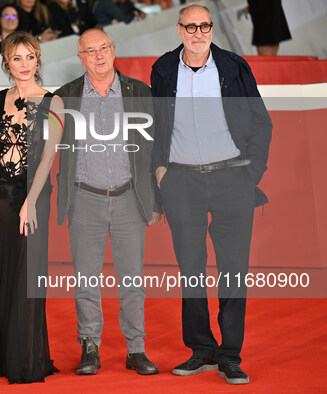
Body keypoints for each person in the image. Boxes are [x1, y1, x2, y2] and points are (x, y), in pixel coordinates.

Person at [150, 4, 272, 385]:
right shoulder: (164, 69)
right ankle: (201, 349)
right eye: (191, 26)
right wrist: (160, 172)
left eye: (205, 25)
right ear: (179, 29)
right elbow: (155, 126)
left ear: (211, 28)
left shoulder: (234, 67)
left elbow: (261, 123)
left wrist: (250, 174)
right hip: (182, 182)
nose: (198, 32)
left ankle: (230, 355)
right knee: (191, 269)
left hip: (231, 181)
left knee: (233, 270)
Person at [54, 28, 161, 376]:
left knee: (132, 280)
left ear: (114, 51)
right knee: (86, 279)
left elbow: (157, 149)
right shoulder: (66, 96)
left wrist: (157, 199)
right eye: (91, 51)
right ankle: (90, 346)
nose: (99, 55)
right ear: (81, 57)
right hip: (84, 198)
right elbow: (39, 149)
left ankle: (136, 349)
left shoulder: (140, 93)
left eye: (104, 48)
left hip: (130, 197)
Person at [0, 31, 61, 383]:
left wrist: (31, 202)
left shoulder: (53, 103)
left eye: (30, 57)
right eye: (17, 58)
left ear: (38, 60)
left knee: (26, 277)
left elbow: (47, 158)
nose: (24, 65)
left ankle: (24, 359)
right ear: (6, 63)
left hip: (31, 198)